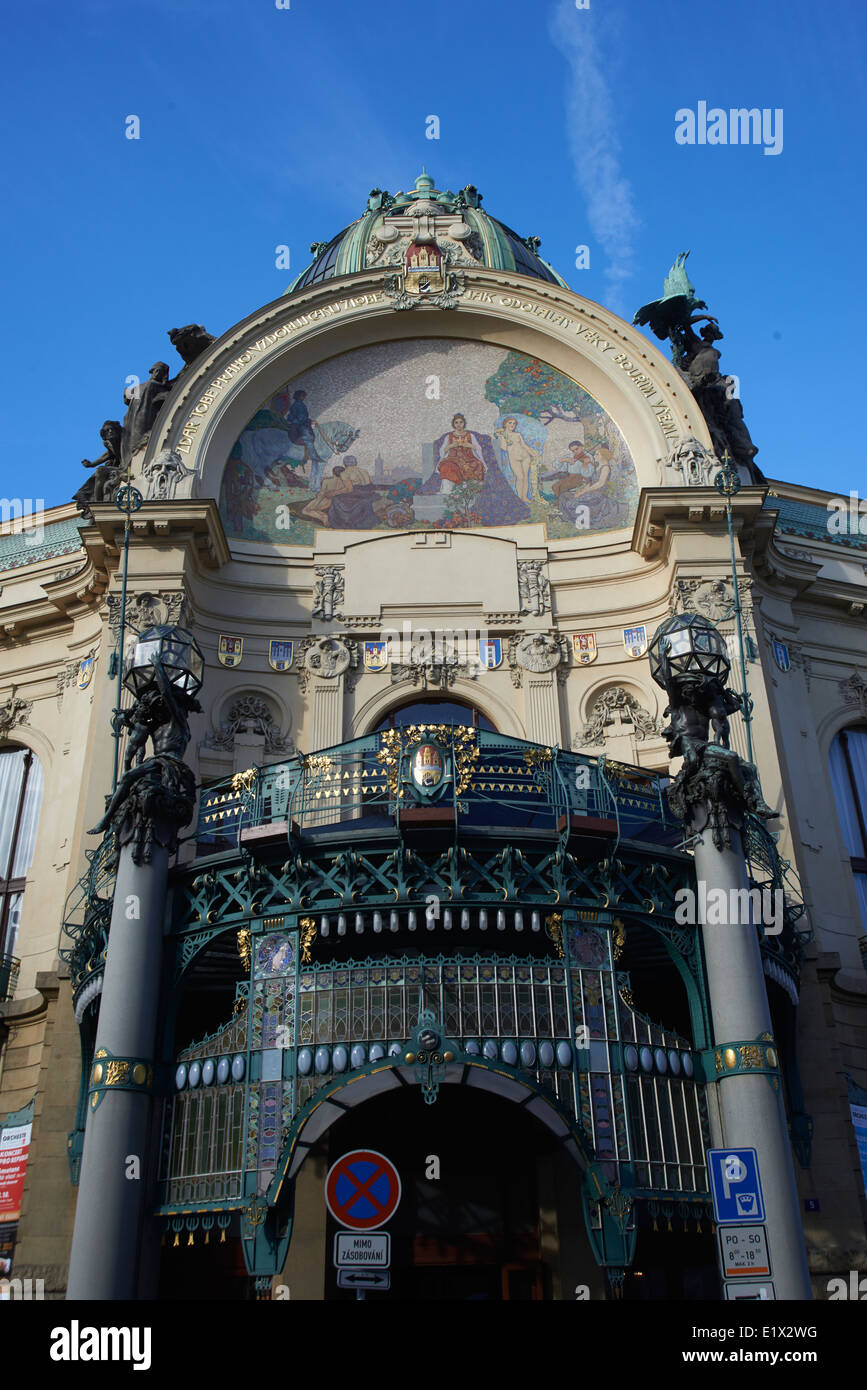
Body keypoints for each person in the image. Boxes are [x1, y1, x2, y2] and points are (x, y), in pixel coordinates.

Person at [435, 414, 486, 490]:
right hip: (453, 458)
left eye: (461, 422)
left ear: (464, 424)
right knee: (447, 466)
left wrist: (469, 445)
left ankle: (472, 488)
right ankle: (450, 489)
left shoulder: (470, 435)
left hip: (469, 458)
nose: (459, 425)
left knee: (478, 464)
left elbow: (478, 448)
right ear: (453, 424)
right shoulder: (449, 436)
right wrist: (451, 446)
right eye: (456, 422)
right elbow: (443, 450)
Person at [493, 417, 538, 501]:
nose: (512, 425)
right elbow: (504, 448)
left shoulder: (518, 434)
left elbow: (524, 445)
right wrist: (502, 438)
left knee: (525, 477)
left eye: (514, 423)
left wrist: (533, 454)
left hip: (525, 456)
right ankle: (519, 498)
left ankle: (524, 497)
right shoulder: (502, 435)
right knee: (520, 477)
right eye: (510, 423)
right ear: (505, 424)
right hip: (514, 458)